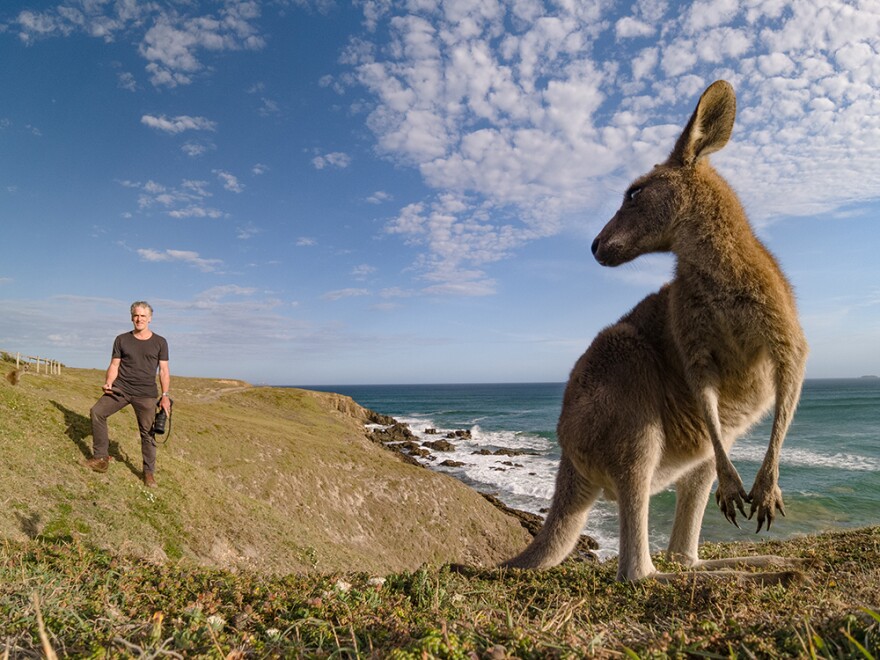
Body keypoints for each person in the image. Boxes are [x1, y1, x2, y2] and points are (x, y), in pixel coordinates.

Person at [84, 301, 171, 488]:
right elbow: (114, 364)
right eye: (136, 316)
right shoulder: (121, 339)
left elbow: (163, 371)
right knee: (97, 412)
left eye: (143, 316)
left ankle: (148, 473)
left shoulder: (160, 342)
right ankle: (100, 458)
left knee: (147, 434)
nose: (139, 319)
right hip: (121, 389)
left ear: (150, 319)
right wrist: (109, 382)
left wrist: (165, 395)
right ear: (132, 317)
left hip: (146, 394)